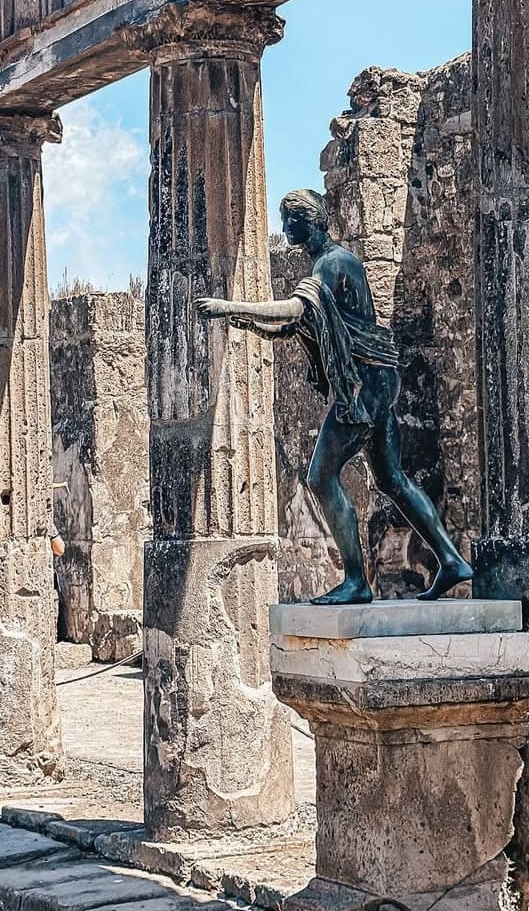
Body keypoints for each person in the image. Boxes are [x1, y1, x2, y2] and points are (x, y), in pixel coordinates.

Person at [197, 187, 472, 604]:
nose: (287, 228)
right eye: (285, 219)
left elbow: (295, 311)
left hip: (364, 385)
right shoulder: (330, 265)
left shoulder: (334, 262)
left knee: (321, 476)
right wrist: (241, 319)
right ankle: (451, 561)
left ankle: (356, 582)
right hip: (378, 379)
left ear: (313, 220)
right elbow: (296, 326)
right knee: (392, 480)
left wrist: (230, 305)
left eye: (294, 220)